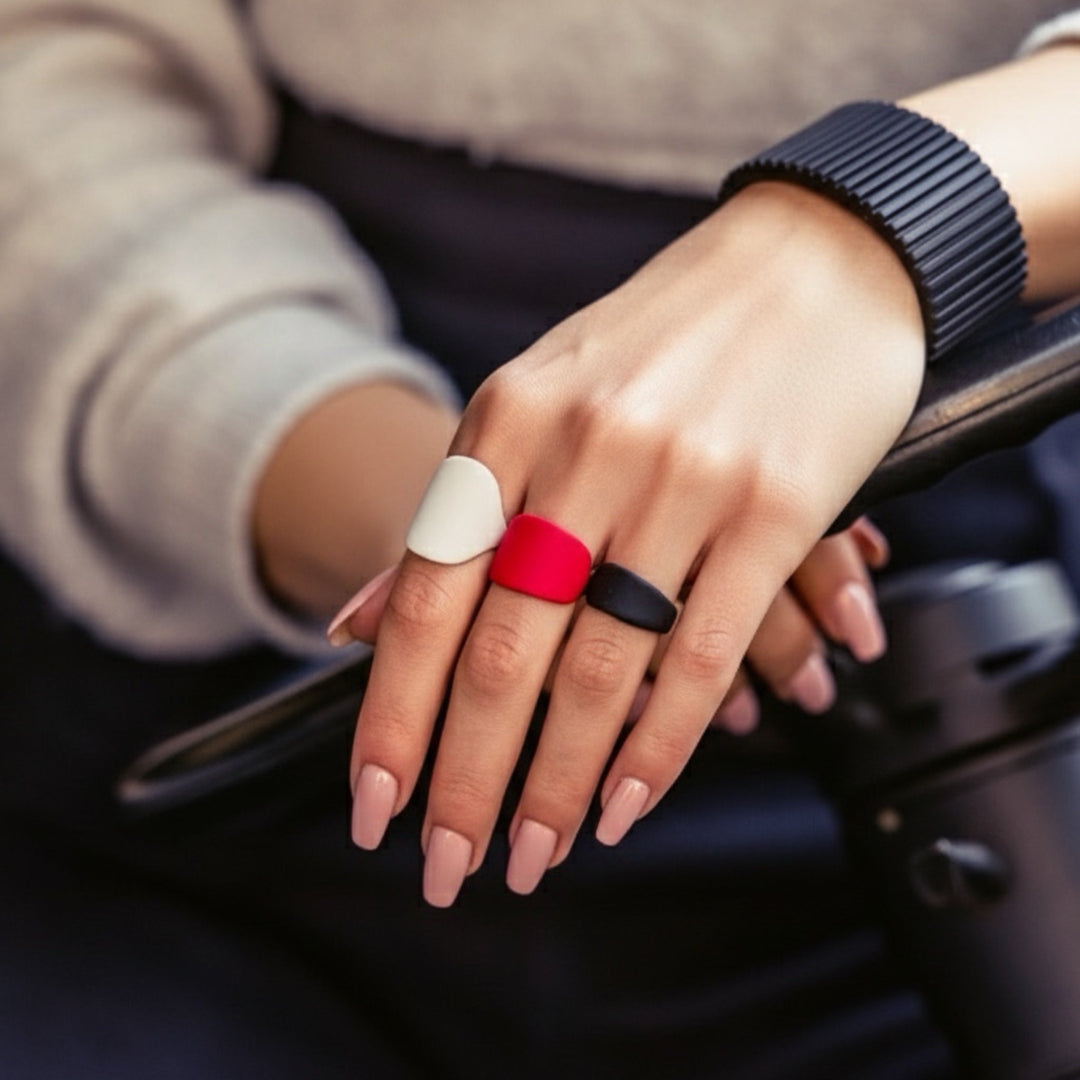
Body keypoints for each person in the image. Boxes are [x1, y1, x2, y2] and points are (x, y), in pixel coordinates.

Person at [0, 2, 1078, 1077]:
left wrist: (879, 226)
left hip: (984, 629)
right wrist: (386, 487)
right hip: (229, 596)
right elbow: (40, 66)